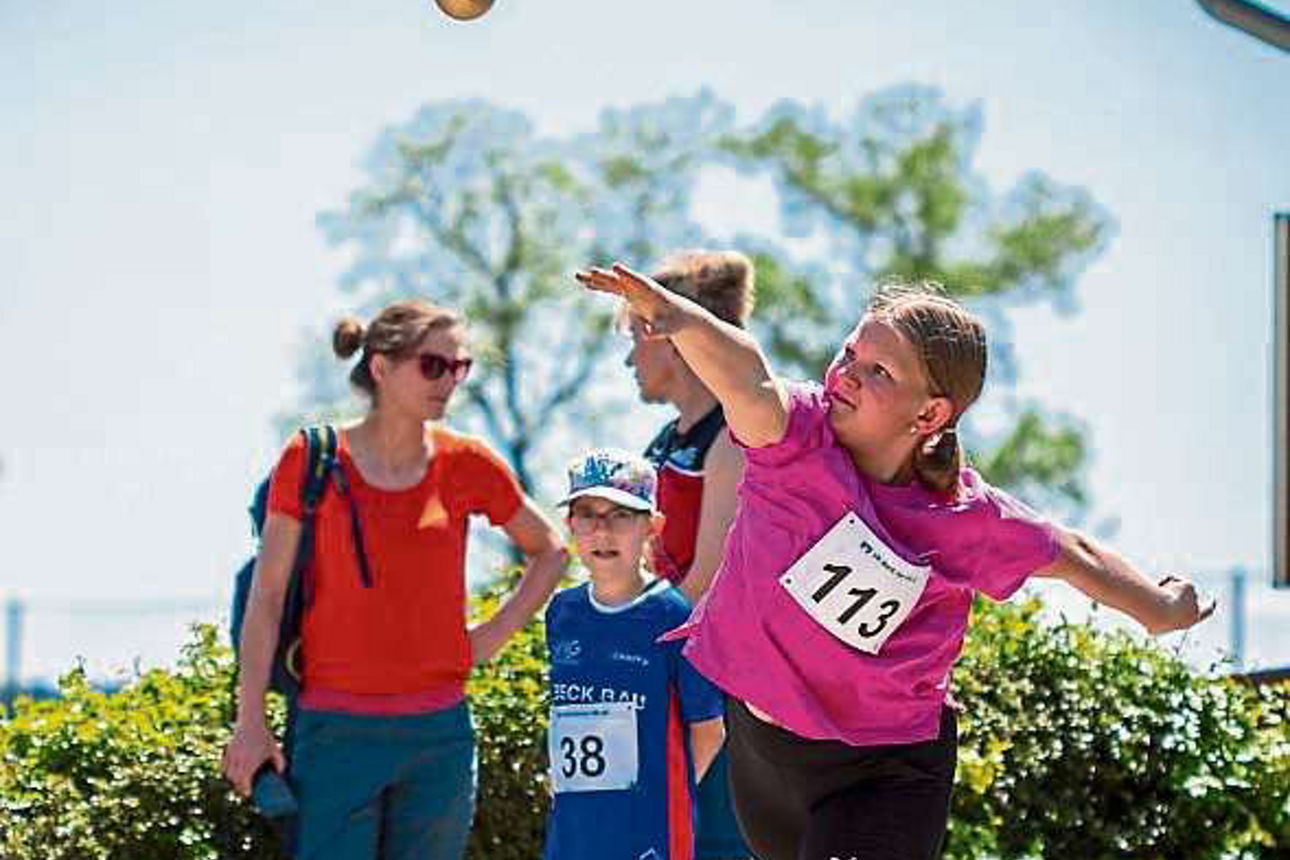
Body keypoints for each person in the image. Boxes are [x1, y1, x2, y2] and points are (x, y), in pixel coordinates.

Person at [575, 264, 1214, 860]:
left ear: (931, 413)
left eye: (879, 372)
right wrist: (680, 318)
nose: (847, 374)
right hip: (765, 760)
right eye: (849, 355)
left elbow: (1072, 554)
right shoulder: (796, 437)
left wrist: (1161, 609)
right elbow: (749, 377)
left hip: (884, 773)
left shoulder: (965, 517)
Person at [222, 299, 568, 860]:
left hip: (439, 734)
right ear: (381, 368)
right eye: (433, 365)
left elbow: (549, 549)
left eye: (461, 367)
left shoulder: (468, 462)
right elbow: (266, 599)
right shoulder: (309, 459)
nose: (449, 381)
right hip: (333, 732)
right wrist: (251, 722)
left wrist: (489, 637)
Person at [628, 250, 753, 860]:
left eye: (635, 335)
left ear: (670, 337)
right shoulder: (661, 443)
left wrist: (623, 645)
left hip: (726, 696)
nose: (630, 357)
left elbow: (709, 581)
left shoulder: (736, 435)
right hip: (673, 673)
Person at [543, 449, 726, 860]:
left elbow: (710, 729)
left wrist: (661, 797)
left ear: (652, 527)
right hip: (572, 831)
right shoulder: (562, 613)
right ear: (570, 525)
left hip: (649, 832)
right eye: (588, 513)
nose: (603, 531)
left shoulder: (674, 616)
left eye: (621, 515)